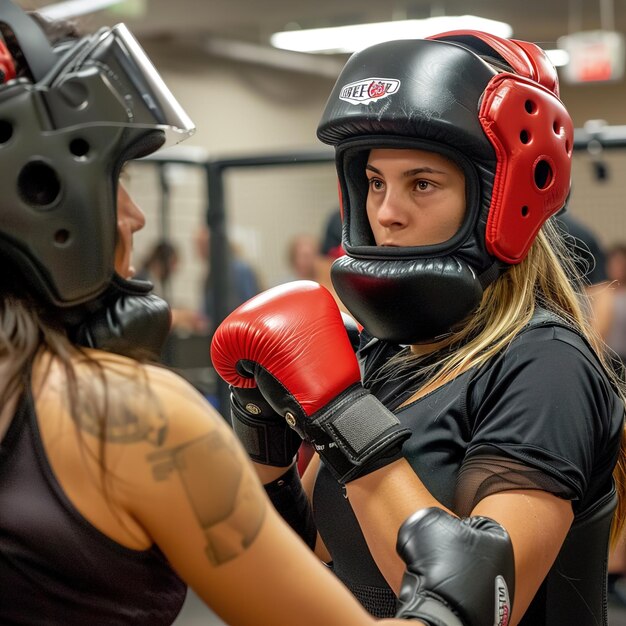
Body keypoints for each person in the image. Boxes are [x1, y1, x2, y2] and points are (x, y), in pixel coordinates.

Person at [0, 4, 431, 625]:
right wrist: (447, 603)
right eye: (114, 179)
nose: (133, 215)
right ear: (37, 197)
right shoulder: (127, 414)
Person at [211, 30, 626, 626]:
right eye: (376, 181)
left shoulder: (546, 365)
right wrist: (263, 439)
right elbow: (298, 560)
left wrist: (345, 418)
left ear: (499, 199)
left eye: (421, 183)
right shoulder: (386, 354)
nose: (386, 212)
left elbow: (473, 608)